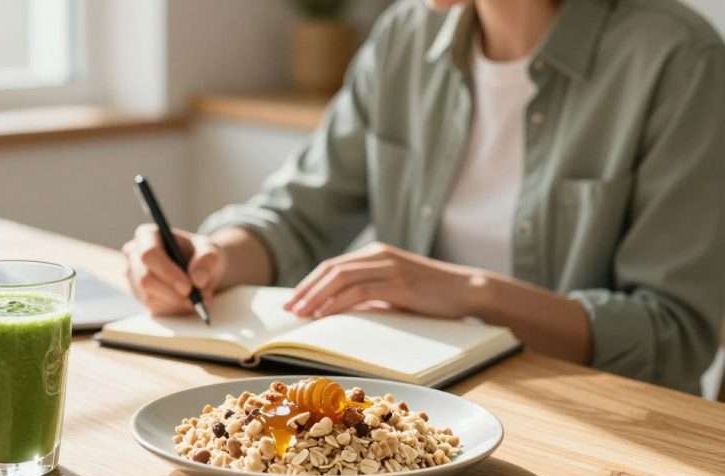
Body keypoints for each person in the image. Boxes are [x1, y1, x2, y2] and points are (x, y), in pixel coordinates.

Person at [122, 0, 725, 395]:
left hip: (598, 446)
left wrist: (468, 293)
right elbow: (298, 216)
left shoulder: (679, 61)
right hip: (416, 417)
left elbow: (674, 337)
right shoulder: (406, 36)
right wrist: (211, 257)